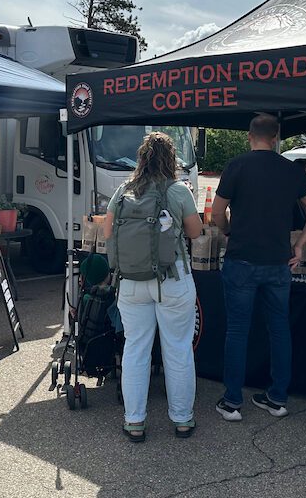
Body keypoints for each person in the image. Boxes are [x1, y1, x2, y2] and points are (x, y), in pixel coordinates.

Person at [211, 114, 306, 421]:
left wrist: (226, 230)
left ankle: (233, 402)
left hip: (241, 260)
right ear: (276, 138)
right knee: (279, 329)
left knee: (237, 330)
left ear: (250, 136)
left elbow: (217, 213)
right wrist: (301, 242)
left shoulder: (236, 166)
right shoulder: (289, 170)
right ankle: (277, 399)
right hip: (278, 263)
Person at [101, 132, 203, 442]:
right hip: (173, 280)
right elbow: (196, 232)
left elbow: (107, 233)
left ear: (141, 159)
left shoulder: (123, 190)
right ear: (171, 160)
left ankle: (135, 422)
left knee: (136, 349)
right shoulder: (179, 190)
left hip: (132, 282)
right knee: (178, 349)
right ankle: (182, 420)